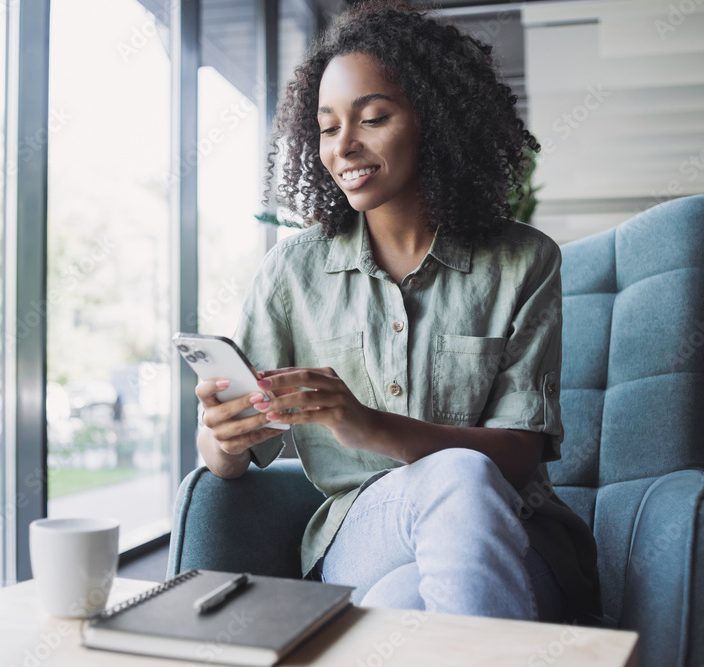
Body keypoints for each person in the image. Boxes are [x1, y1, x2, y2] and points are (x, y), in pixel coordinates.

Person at [194, 0, 602, 624]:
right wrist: (221, 437)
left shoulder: (524, 261)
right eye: (328, 128)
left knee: (401, 601)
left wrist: (370, 427)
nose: (345, 146)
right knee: (444, 500)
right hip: (364, 534)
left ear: (434, 121)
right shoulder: (292, 274)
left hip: (512, 535)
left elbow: (521, 452)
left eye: (373, 117)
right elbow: (235, 454)